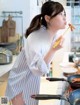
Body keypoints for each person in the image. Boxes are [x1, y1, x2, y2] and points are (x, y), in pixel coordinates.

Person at [5, 1, 66, 105]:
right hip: (20, 85)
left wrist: (53, 49)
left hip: (32, 83)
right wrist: (53, 50)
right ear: (48, 18)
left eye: (64, 14)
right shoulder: (36, 37)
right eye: (60, 14)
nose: (64, 17)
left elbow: (43, 65)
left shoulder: (53, 36)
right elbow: (37, 70)